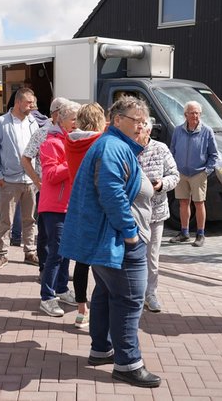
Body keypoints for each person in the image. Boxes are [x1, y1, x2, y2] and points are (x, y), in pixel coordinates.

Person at [59, 97, 161, 388]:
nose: (141, 125)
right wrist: (130, 233)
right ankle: (128, 364)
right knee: (129, 300)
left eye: (144, 121)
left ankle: (101, 349)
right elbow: (111, 192)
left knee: (105, 293)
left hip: (109, 239)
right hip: (118, 239)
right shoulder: (113, 146)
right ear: (117, 120)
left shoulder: (114, 144)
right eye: (136, 120)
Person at [63, 102, 107, 328]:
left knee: (81, 261)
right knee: (101, 262)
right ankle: (100, 309)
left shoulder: (69, 141)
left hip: (77, 203)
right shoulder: (101, 141)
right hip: (98, 205)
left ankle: (81, 309)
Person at [0, 87, 39, 270]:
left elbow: (38, 150)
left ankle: (30, 252)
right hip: (9, 180)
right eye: (29, 102)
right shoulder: (1, 122)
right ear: (18, 102)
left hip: (30, 180)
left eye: (33, 102)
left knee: (29, 219)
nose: (32, 106)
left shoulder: (33, 122)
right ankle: (2, 254)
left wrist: (37, 176)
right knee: (6, 220)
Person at [38, 101, 79, 317]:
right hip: (54, 206)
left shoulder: (73, 141)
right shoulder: (50, 143)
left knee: (66, 251)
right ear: (60, 121)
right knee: (55, 253)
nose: (76, 123)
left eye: (78, 119)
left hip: (70, 206)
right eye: (73, 119)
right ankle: (47, 297)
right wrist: (72, 161)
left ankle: (62, 289)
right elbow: (52, 175)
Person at [136, 116, 180, 313]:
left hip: (156, 212)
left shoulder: (161, 148)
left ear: (149, 130)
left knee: (152, 257)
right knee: (132, 255)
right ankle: (134, 293)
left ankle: (150, 294)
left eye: (142, 127)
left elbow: (174, 175)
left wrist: (162, 184)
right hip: (133, 213)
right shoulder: (127, 149)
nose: (138, 131)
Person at [22, 97, 67, 278]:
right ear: (56, 114)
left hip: (66, 192)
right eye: (65, 113)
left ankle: (61, 272)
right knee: (45, 233)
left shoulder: (70, 133)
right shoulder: (42, 133)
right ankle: (44, 269)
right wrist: (36, 180)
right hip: (47, 190)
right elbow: (25, 158)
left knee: (63, 234)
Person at [168, 101, 218, 247]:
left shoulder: (207, 131)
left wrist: (206, 171)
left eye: (197, 113)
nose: (195, 115)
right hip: (181, 173)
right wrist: (173, 169)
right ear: (185, 114)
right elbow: (172, 151)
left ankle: (200, 234)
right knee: (183, 203)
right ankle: (184, 233)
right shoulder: (178, 130)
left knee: (199, 203)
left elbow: (214, 155)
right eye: (192, 113)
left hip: (199, 173)